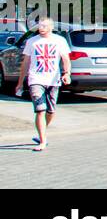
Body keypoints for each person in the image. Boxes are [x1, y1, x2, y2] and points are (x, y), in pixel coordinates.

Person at [13, 17, 72, 152]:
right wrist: (20, 82)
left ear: (51, 27)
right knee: (40, 110)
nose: (41, 28)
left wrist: (66, 73)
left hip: (53, 80)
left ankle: (42, 132)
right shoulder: (32, 41)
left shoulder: (60, 41)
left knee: (51, 111)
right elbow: (25, 63)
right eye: (40, 26)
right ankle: (43, 140)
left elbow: (66, 59)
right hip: (36, 80)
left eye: (44, 26)